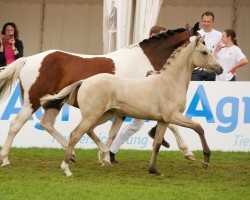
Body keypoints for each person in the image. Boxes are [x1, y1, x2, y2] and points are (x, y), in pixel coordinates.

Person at [109, 25, 170, 164]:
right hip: (136, 93)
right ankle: (156, 132)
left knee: (137, 125)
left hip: (147, 93)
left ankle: (111, 151)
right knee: (144, 122)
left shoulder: (158, 53)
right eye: (162, 35)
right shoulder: (141, 51)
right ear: (153, 36)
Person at [191, 11, 222, 81]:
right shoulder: (196, 34)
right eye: (204, 21)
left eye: (208, 21)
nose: (206, 24)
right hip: (197, 70)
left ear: (213, 22)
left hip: (212, 69)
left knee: (211, 91)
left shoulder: (219, 35)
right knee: (194, 91)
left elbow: (221, 51)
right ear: (201, 21)